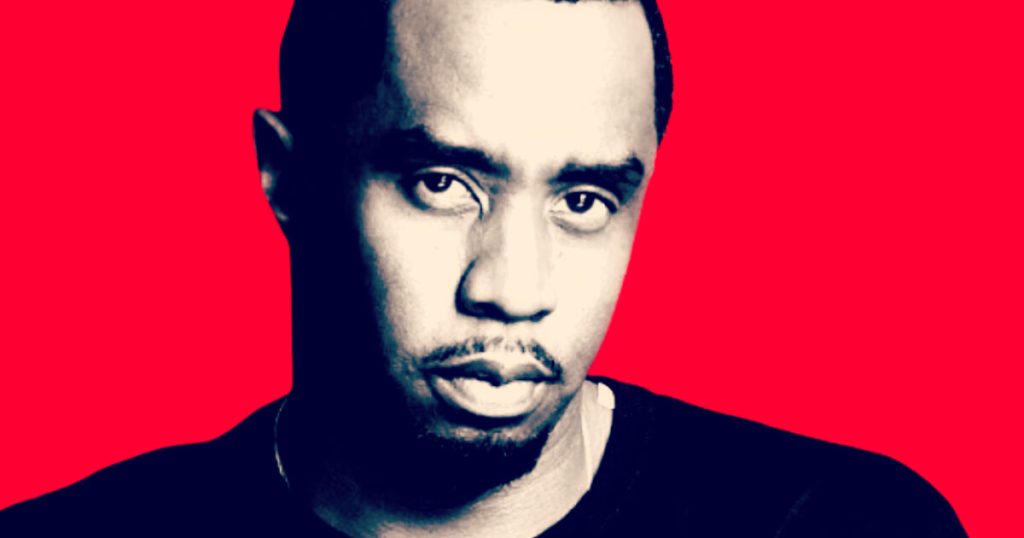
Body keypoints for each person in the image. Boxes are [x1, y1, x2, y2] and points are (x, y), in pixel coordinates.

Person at [0, 0, 966, 536]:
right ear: (290, 178)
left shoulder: (840, 524)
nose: (514, 288)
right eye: (443, 184)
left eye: (583, 200)